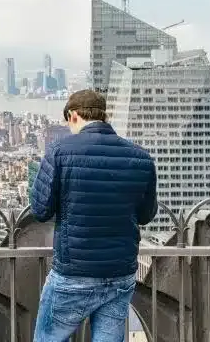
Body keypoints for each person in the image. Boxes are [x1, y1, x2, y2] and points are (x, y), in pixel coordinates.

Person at [31, 89, 157, 342]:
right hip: (120, 273)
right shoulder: (141, 158)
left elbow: (40, 210)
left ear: (74, 115)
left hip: (73, 272)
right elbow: (146, 215)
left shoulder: (59, 152)